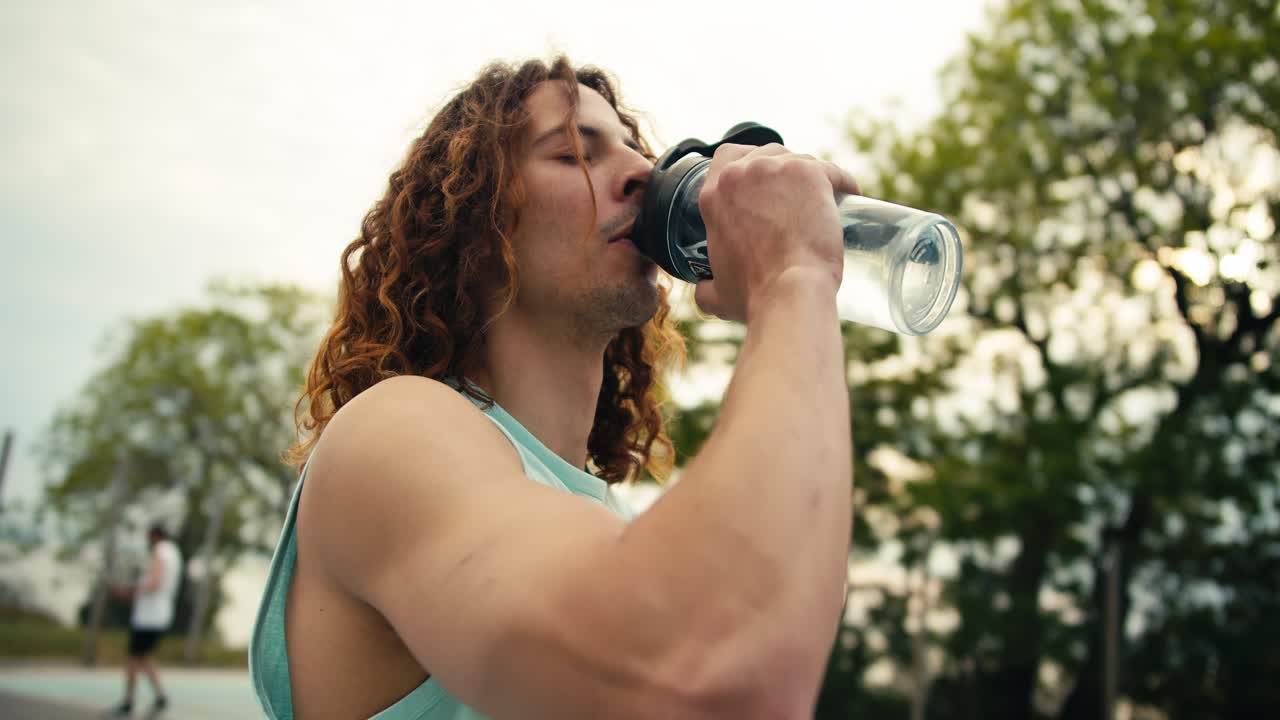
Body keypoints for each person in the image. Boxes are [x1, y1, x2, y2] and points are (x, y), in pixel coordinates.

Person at [250, 56, 856, 720]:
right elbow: (705, 673)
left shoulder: (604, 531)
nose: (644, 174)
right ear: (474, 225)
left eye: (635, 151)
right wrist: (794, 276)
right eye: (573, 153)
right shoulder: (392, 434)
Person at [110, 523, 183, 717]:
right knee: (142, 657)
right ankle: (160, 696)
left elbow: (154, 582)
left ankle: (128, 702)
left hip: (148, 616)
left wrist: (130, 591)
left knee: (133, 658)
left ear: (155, 536)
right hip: (161, 614)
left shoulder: (161, 551)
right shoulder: (174, 553)